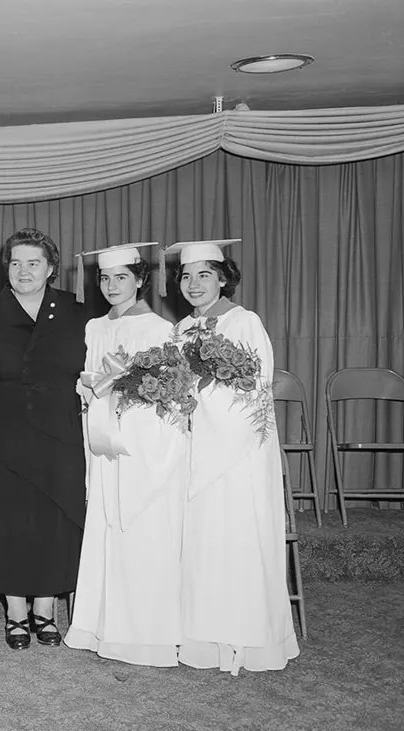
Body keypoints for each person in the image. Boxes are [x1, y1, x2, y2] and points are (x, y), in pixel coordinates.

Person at [168, 239, 300, 675]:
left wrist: (202, 417)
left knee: (236, 540)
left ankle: (246, 639)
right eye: (186, 275)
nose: (193, 284)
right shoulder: (183, 330)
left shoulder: (245, 323)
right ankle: (201, 639)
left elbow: (253, 391)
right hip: (195, 452)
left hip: (236, 453)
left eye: (204, 274)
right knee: (202, 542)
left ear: (224, 278)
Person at [0, 228, 87, 650]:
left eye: (33, 263)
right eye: (15, 263)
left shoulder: (77, 312)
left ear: (51, 268)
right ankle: (15, 613)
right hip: (0, 435)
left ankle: (44, 611)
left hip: (59, 434)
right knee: (6, 522)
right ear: (5, 268)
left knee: (52, 523)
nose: (23, 271)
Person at [63, 243, 187, 666]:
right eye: (104, 278)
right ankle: (101, 626)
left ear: (139, 279)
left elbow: (169, 395)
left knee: (141, 528)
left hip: (139, 446)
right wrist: (90, 390)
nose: (112, 286)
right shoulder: (95, 328)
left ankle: (144, 634)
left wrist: (121, 404)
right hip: (102, 445)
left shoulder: (157, 328)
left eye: (121, 277)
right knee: (106, 525)